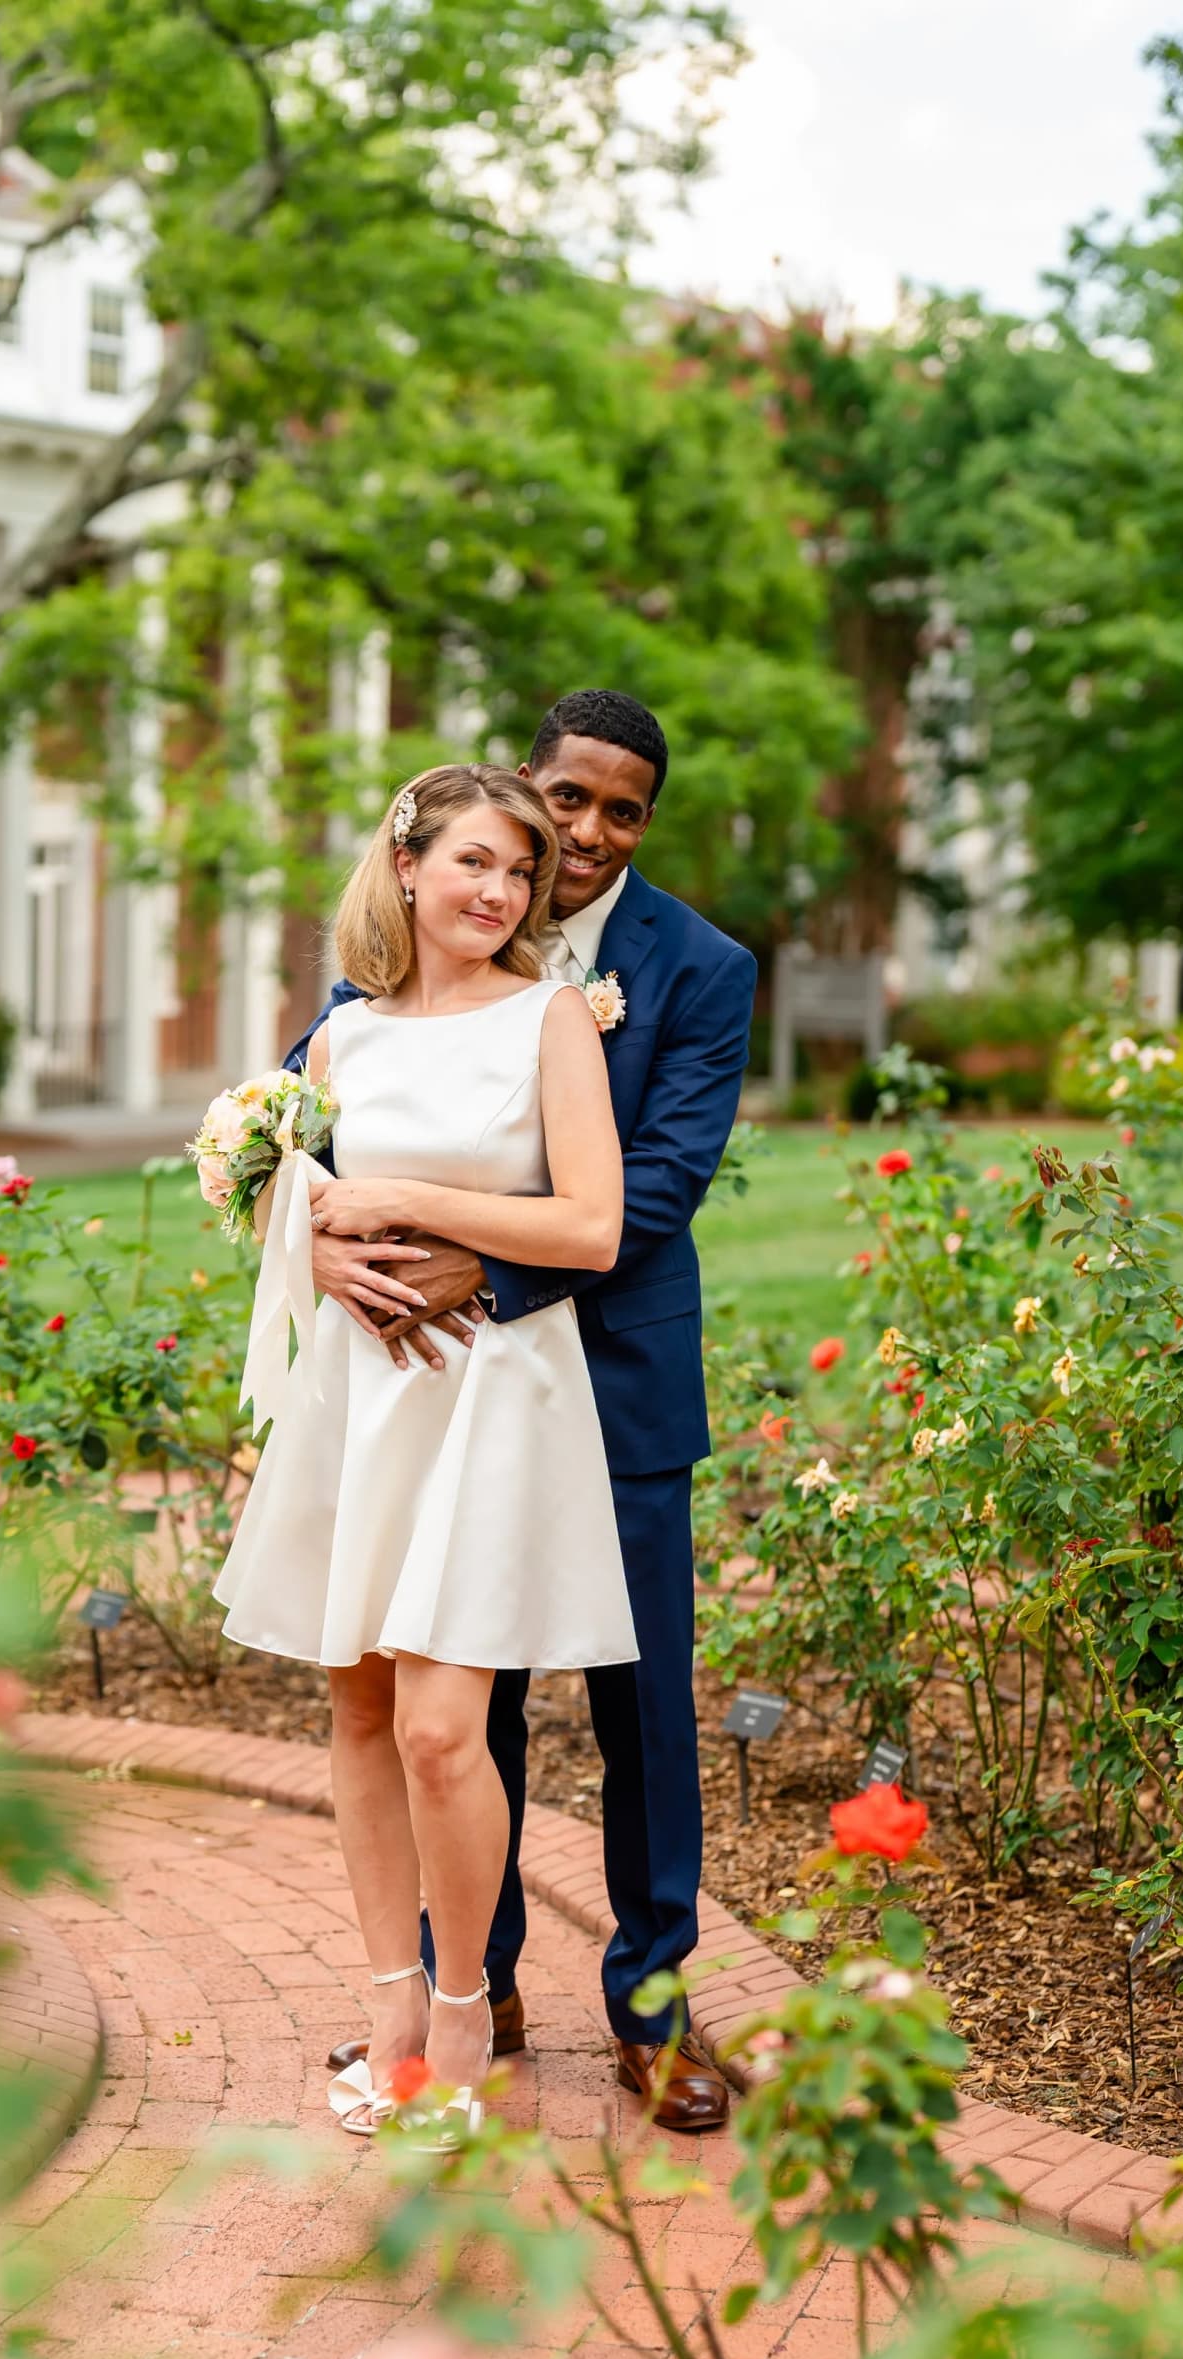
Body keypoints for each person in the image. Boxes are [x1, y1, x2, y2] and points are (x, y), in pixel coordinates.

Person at [297, 690, 756, 2133]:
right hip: (428, 1391)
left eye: (625, 810)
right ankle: (468, 1986)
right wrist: (313, 1239)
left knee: (641, 1717)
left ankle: (654, 2008)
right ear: (525, 785)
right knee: (451, 1703)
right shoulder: (420, 943)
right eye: (570, 796)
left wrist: (469, 1261)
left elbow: (657, 1187)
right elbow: (313, 1131)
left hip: (608, 1380)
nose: (587, 832)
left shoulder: (700, 967)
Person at [213, 764, 638, 2142]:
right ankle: (389, 2002)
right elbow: (287, 1202)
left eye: (519, 873)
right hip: (360, 1401)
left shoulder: (551, 1021)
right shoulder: (344, 1041)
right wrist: (327, 1239)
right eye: (473, 863)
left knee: (447, 1731)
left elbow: (589, 1230)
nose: (499, 892)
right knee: (356, 1711)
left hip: (488, 1399)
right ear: (406, 868)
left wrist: (403, 1197)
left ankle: (468, 2012)